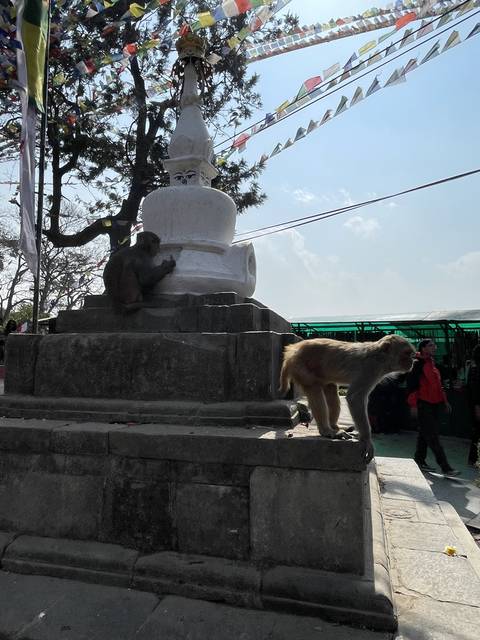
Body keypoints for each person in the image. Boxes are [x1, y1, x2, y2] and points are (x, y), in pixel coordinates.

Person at [406, 339, 460, 476]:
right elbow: (412, 386)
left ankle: (419, 460)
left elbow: (437, 384)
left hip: (434, 404)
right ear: (423, 348)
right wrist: (413, 405)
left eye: (434, 345)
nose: (434, 347)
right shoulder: (417, 364)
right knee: (433, 436)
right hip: (424, 404)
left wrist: (445, 401)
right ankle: (446, 467)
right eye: (430, 345)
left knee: (425, 434)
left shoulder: (431, 363)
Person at [466, 344, 480, 466]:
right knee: (477, 432)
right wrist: (476, 406)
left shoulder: (474, 367)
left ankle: (473, 459)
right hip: (477, 405)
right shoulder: (475, 369)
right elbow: (474, 390)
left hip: (476, 405)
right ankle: (473, 458)